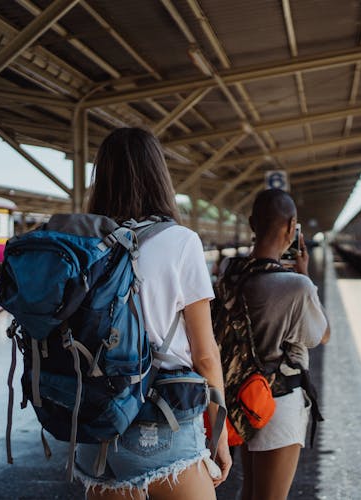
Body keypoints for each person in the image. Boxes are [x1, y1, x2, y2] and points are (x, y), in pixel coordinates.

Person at [74, 128, 232, 499]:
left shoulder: (82, 244)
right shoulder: (181, 242)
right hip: (162, 423)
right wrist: (220, 434)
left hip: (94, 427)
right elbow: (205, 355)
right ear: (158, 176)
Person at [218, 189, 329, 500]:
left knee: (248, 490)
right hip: (277, 401)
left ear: (253, 223)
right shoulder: (297, 285)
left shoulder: (230, 272)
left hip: (240, 397)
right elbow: (321, 335)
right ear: (292, 226)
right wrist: (306, 275)